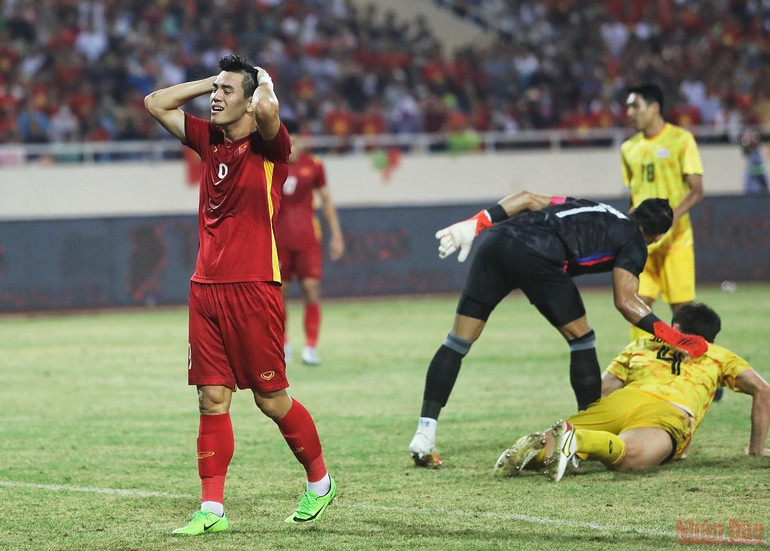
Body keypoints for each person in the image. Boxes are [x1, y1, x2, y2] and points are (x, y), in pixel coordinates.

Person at [144, 54, 336, 535]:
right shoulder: (208, 139)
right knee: (211, 399)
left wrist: (262, 81)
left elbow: (269, 112)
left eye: (227, 92)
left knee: (271, 400)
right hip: (205, 289)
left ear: (250, 102)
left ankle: (320, 482)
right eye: (216, 90)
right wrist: (213, 79)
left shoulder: (271, 147)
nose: (216, 97)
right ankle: (212, 509)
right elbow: (155, 103)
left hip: (254, 286)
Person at [408, 191, 709, 467]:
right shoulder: (635, 242)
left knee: (457, 342)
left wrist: (476, 223)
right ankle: (584, 434)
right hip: (538, 254)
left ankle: (424, 434)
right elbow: (626, 301)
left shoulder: (590, 205)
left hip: (496, 240)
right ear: (658, 236)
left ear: (633, 210)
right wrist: (675, 337)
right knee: (582, 340)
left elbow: (526, 198)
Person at [494, 303, 770, 482]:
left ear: (674, 328)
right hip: (668, 412)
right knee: (629, 458)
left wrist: (592, 415)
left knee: (549, 443)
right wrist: (755, 449)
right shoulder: (718, 354)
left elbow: (604, 387)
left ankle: (539, 447)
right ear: (712, 337)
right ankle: (579, 441)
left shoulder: (643, 344)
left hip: (622, 401)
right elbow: (763, 390)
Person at [622, 83, 704, 341]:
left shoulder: (681, 140)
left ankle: (696, 361)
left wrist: (670, 220)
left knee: (683, 314)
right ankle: (641, 362)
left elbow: (697, 190)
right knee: (636, 306)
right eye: (628, 107)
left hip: (676, 242)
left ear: (654, 108)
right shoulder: (628, 149)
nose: (629, 113)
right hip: (643, 243)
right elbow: (633, 196)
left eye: (635, 106)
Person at [277, 120, 345, 366]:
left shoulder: (314, 165)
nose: (291, 147)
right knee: (279, 294)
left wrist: (336, 234)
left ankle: (311, 347)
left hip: (308, 238)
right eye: (287, 142)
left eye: (295, 141)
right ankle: (283, 344)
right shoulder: (271, 164)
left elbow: (326, 200)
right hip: (278, 239)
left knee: (311, 289)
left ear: (302, 141)